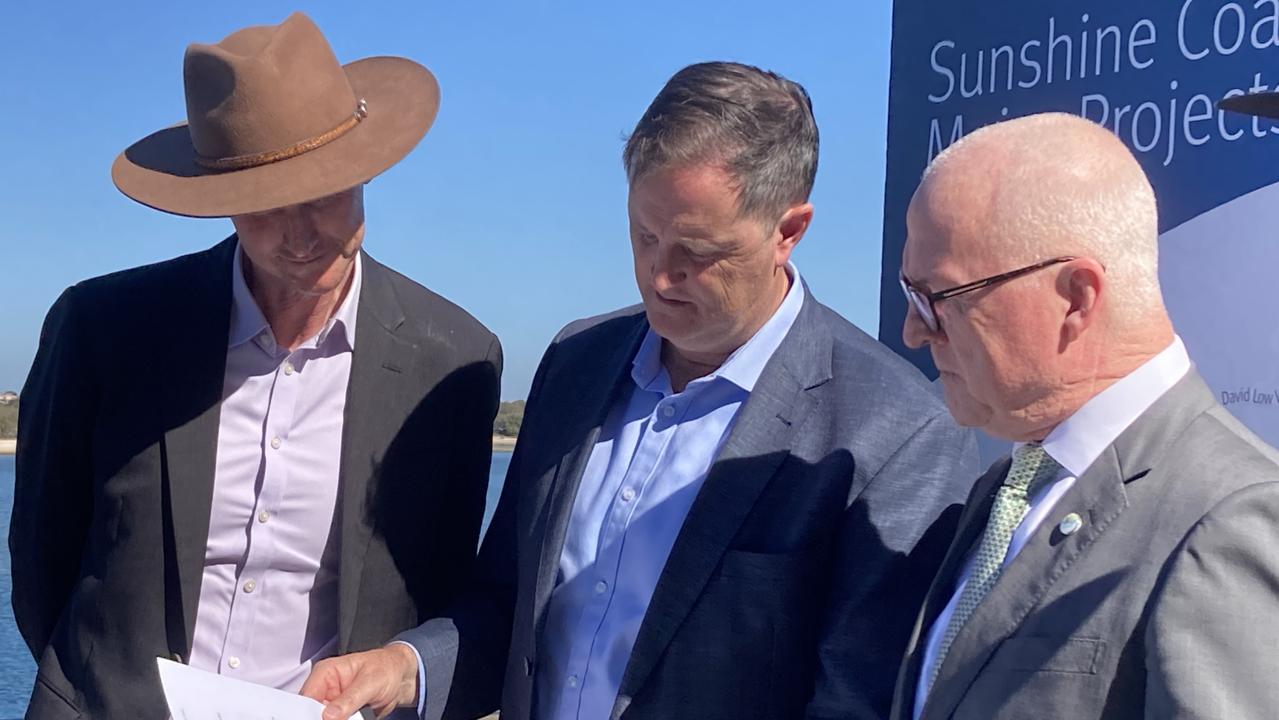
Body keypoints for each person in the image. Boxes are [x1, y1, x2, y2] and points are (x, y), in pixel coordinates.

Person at [303, 61, 976, 720]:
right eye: (644, 235)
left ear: (788, 232)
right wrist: (406, 669)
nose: (658, 276)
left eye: (696, 250)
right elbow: (508, 607)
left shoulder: (894, 432)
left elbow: (857, 701)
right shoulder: (576, 363)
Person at [11, 12, 501, 719]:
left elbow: (442, 588)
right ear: (220, 201)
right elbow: (40, 559)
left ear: (364, 172)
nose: (301, 235)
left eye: (326, 194)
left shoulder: (453, 359)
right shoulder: (104, 330)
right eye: (265, 205)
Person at [891, 112, 1279, 720]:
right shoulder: (1005, 490)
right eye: (909, 295)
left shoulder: (1229, 517)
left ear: (1075, 297)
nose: (914, 331)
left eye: (937, 299)